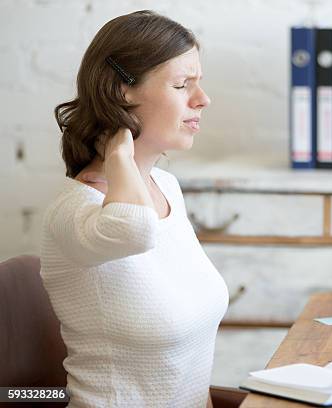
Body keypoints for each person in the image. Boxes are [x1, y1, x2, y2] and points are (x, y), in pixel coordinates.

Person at [40, 10, 228, 407]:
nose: (202, 99)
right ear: (121, 91)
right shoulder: (74, 213)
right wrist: (119, 155)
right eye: (182, 85)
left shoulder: (167, 188)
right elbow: (133, 230)